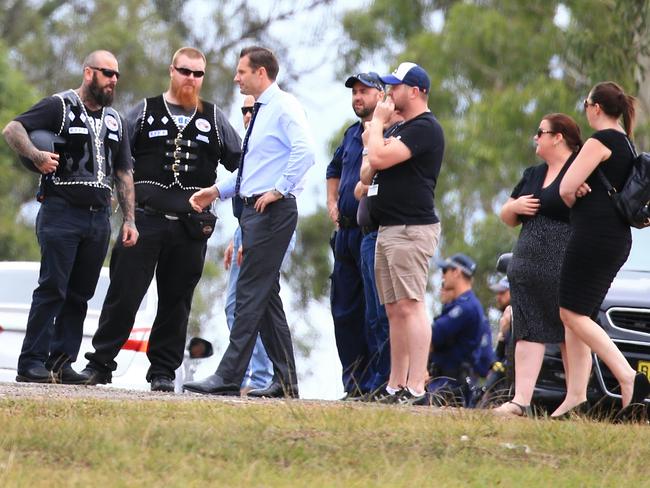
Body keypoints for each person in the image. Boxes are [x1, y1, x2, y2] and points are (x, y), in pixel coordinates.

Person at [81, 47, 242, 392]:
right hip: (144, 220)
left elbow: (242, 165)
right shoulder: (145, 110)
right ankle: (100, 364)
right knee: (124, 295)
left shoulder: (214, 118)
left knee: (176, 301)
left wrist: (221, 197)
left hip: (190, 226)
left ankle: (162, 372)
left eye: (198, 74)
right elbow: (113, 152)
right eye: (185, 71)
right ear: (172, 70)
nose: (191, 79)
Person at [183, 46, 315, 398]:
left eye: (242, 71)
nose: (236, 77)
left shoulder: (284, 106)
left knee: (249, 293)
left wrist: (279, 190)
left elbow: (306, 152)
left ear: (261, 73)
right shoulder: (260, 111)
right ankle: (285, 382)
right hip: (253, 213)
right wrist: (215, 191)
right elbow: (250, 171)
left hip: (271, 213)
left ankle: (229, 376)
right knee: (265, 296)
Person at [2, 50, 138, 383]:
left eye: (117, 75)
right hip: (60, 212)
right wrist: (35, 155)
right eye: (107, 73)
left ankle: (61, 362)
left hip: (98, 218)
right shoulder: (58, 106)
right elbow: (12, 129)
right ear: (89, 72)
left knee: (80, 295)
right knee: (53, 288)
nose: (113, 80)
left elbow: (123, 171)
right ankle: (31, 362)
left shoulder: (115, 120)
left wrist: (130, 220)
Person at [555, 82, 650, 419]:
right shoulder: (625, 142)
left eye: (586, 104)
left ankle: (628, 379)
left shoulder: (600, 141)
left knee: (570, 313)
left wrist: (574, 190)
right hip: (615, 237)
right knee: (579, 314)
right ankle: (576, 396)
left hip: (595, 235)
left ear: (595, 107)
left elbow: (565, 189)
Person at [493, 113, 586, 417]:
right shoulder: (533, 173)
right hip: (527, 264)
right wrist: (515, 207)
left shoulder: (582, 170)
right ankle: (521, 400)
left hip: (565, 263)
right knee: (527, 331)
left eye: (541, 132)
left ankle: (575, 399)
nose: (536, 137)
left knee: (569, 330)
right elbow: (507, 216)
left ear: (558, 137)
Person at [362, 62, 444, 404]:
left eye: (395, 87)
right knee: (394, 308)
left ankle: (416, 386)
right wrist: (379, 139)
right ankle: (395, 385)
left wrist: (377, 126)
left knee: (411, 305)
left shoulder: (425, 128)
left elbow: (376, 159)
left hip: (412, 228)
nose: (389, 93)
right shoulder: (399, 129)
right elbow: (367, 174)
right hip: (389, 228)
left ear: (415, 91)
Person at [223, 95, 296, 395]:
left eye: (254, 109)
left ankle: (256, 377)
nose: (248, 114)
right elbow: (243, 185)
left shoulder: (277, 132)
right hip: (249, 227)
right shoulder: (250, 145)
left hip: (271, 225)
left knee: (249, 303)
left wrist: (252, 238)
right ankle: (276, 379)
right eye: (243, 110)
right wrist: (238, 234)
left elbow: (302, 159)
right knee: (257, 303)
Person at [326, 72, 385, 400]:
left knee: (374, 312)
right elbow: (333, 169)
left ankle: (379, 382)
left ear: (381, 95)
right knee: (344, 311)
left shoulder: (388, 132)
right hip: (345, 233)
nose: (357, 97)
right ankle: (355, 384)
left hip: (373, 232)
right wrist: (331, 201)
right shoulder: (350, 134)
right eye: (354, 93)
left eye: (364, 91)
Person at [428, 254, 487, 402]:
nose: (442, 276)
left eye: (445, 271)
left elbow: (432, 335)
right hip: (443, 381)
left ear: (457, 272)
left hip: (451, 385)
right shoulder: (460, 304)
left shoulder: (466, 306)